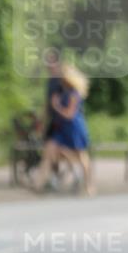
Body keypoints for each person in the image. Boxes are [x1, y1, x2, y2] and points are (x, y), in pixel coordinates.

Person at [33, 62, 94, 195]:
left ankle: (88, 185)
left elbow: (69, 114)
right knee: (48, 152)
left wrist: (56, 106)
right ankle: (39, 184)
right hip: (60, 128)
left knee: (82, 157)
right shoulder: (62, 91)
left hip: (74, 128)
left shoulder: (74, 93)